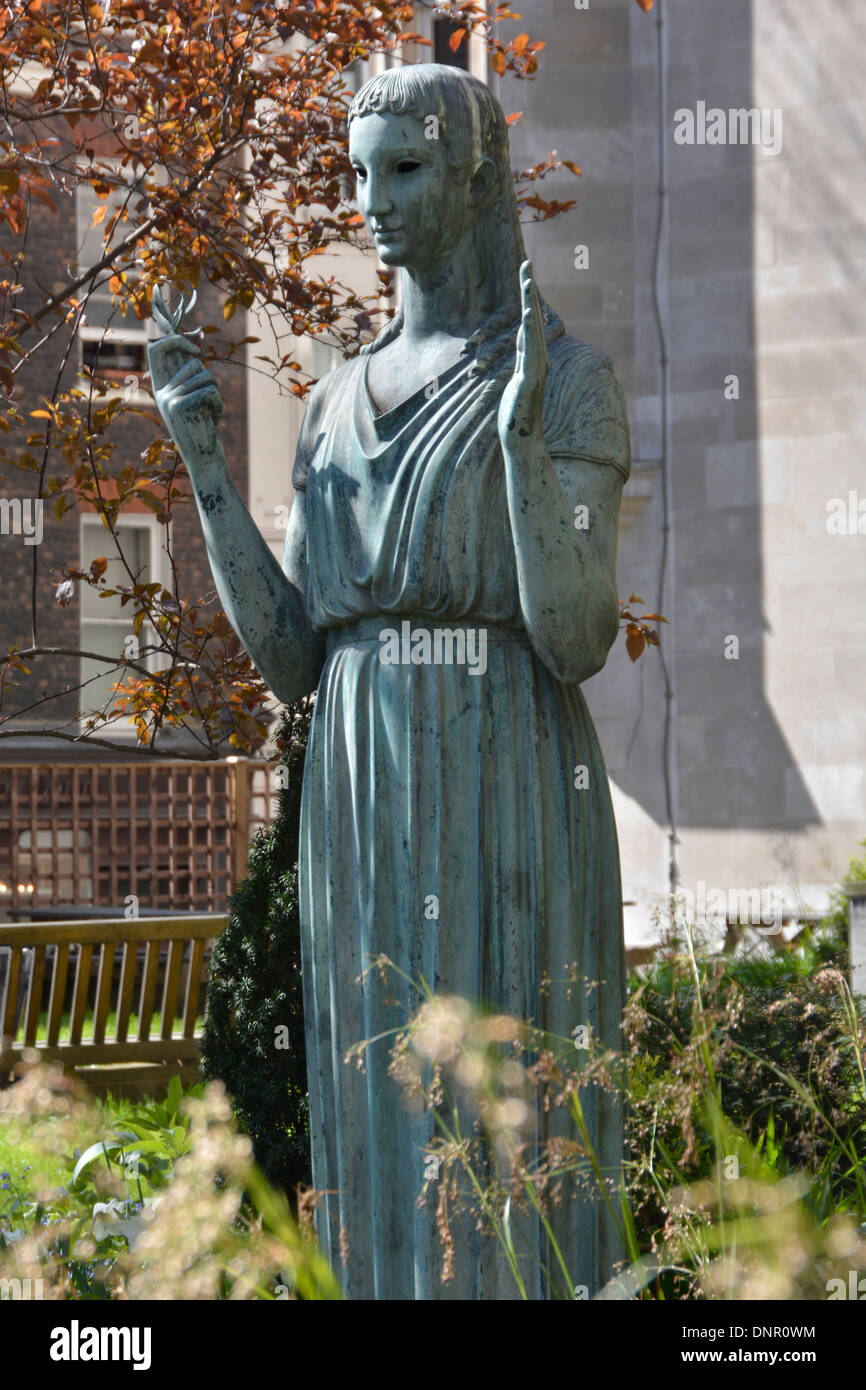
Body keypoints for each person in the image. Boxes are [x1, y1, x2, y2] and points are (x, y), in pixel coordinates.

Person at [150, 62, 631, 1301]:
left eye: (403, 169)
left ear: (475, 177)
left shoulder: (566, 381)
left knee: (515, 1097)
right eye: (356, 173)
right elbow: (298, 657)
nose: (370, 201)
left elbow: (575, 634)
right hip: (362, 778)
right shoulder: (332, 406)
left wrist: (519, 442)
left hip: (511, 768)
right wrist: (203, 457)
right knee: (379, 1095)